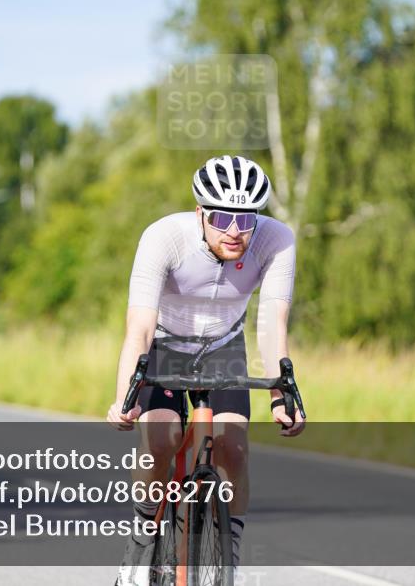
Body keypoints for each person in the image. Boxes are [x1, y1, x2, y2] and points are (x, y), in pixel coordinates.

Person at [108, 155, 305, 585]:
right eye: (220, 218)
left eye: (246, 218)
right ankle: (139, 546)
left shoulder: (276, 240)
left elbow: (272, 324)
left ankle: (228, 554)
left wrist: (280, 395)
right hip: (164, 344)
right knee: (163, 440)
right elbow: (138, 328)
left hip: (223, 345)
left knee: (234, 448)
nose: (235, 231)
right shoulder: (164, 238)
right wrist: (124, 395)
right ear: (200, 213)